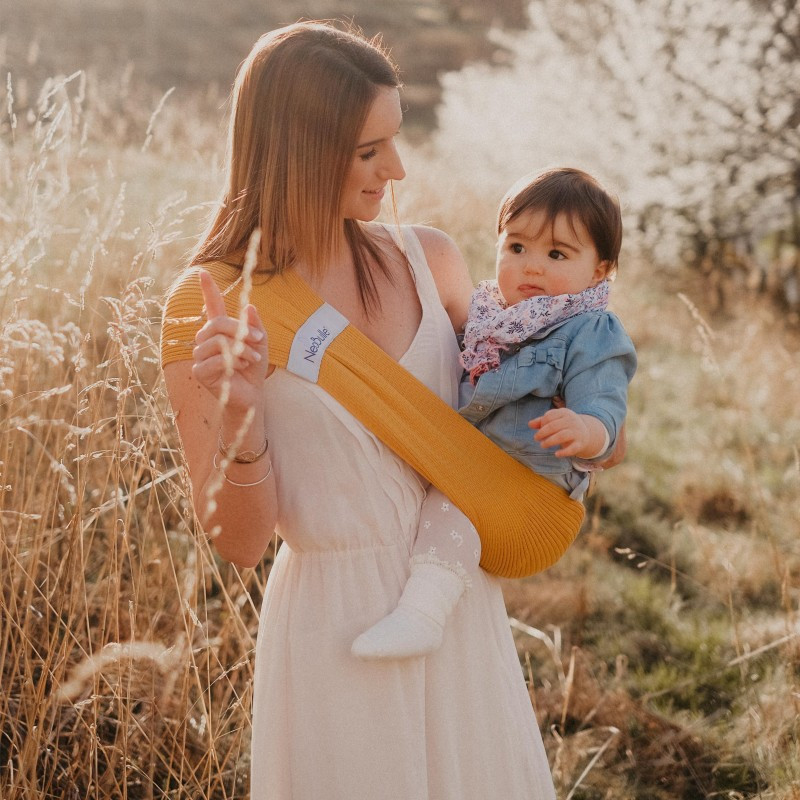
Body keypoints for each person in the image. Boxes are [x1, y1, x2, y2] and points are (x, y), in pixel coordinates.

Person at [161, 21, 620, 800]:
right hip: (337, 636)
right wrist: (241, 415)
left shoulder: (431, 260)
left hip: (455, 604)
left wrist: (600, 425)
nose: (397, 169)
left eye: (394, 141)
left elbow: (540, 407)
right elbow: (238, 545)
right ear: (300, 146)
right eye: (369, 151)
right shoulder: (208, 311)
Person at [351, 167, 638, 661]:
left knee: (451, 511)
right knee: (441, 505)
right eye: (517, 248)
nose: (531, 267)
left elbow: (605, 408)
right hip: (476, 457)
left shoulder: (590, 329)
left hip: (529, 475)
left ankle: (423, 615)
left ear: (599, 270)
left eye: (556, 254)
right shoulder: (491, 317)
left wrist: (585, 430)